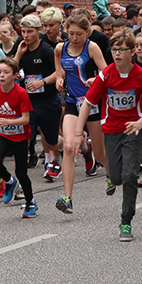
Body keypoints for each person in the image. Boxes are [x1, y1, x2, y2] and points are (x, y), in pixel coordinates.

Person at [72, 30, 142, 241]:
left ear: (132, 52)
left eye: (122, 49)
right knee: (118, 176)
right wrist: (77, 134)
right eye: (114, 49)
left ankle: (126, 222)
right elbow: (88, 104)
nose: (117, 54)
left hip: (134, 129)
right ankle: (111, 178)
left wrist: (140, 122)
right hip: (110, 129)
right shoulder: (106, 74)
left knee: (130, 176)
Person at [53, 14, 107, 213]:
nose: (74, 38)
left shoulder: (91, 47)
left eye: (78, 34)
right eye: (70, 33)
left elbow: (107, 71)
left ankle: (111, 175)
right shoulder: (60, 48)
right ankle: (67, 198)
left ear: (87, 31)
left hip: (92, 103)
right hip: (72, 102)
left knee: (100, 152)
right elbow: (59, 69)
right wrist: (59, 79)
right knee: (68, 147)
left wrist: (97, 79)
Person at [0, 57, 36, 218]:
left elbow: (26, 119)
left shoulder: (21, 93)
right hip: (4, 135)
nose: (2, 75)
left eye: (6, 72)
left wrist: (8, 121)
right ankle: (10, 182)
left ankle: (30, 202)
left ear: (14, 75)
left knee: (21, 172)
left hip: (20, 137)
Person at [15, 15, 61, 181]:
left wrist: (42, 82)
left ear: (39, 31)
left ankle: (78, 147)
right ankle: (20, 173)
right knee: (25, 136)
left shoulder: (47, 50)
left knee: (52, 139)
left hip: (48, 100)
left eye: (30, 32)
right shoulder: (22, 48)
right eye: (23, 32)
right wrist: (19, 54)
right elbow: (12, 70)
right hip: (29, 102)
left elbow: (59, 73)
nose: (26, 35)